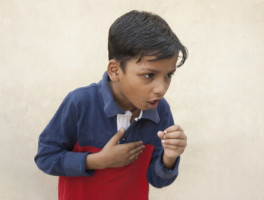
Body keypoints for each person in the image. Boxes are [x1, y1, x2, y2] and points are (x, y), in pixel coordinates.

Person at [35, 10, 188, 200]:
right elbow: (45, 157)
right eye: (149, 75)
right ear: (115, 70)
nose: (161, 88)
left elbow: (158, 180)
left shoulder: (160, 109)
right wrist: (97, 161)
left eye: (168, 75)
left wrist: (170, 157)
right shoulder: (80, 103)